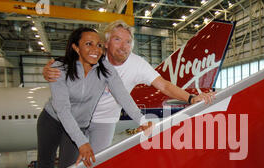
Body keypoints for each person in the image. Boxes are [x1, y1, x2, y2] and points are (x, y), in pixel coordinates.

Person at [43, 20, 215, 155]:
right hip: (78, 118)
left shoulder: (137, 64)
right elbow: (67, 66)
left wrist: (191, 98)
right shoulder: (94, 55)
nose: (123, 46)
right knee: (72, 167)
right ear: (107, 43)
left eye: (128, 42)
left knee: (96, 166)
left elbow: (164, 85)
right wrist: (50, 70)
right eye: (117, 40)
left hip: (106, 121)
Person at [35, 27, 151, 168]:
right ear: (75, 47)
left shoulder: (105, 70)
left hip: (79, 124)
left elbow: (123, 96)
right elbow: (62, 108)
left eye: (98, 45)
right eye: (88, 44)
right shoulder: (59, 68)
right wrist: (82, 142)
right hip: (52, 120)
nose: (95, 49)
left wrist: (142, 120)